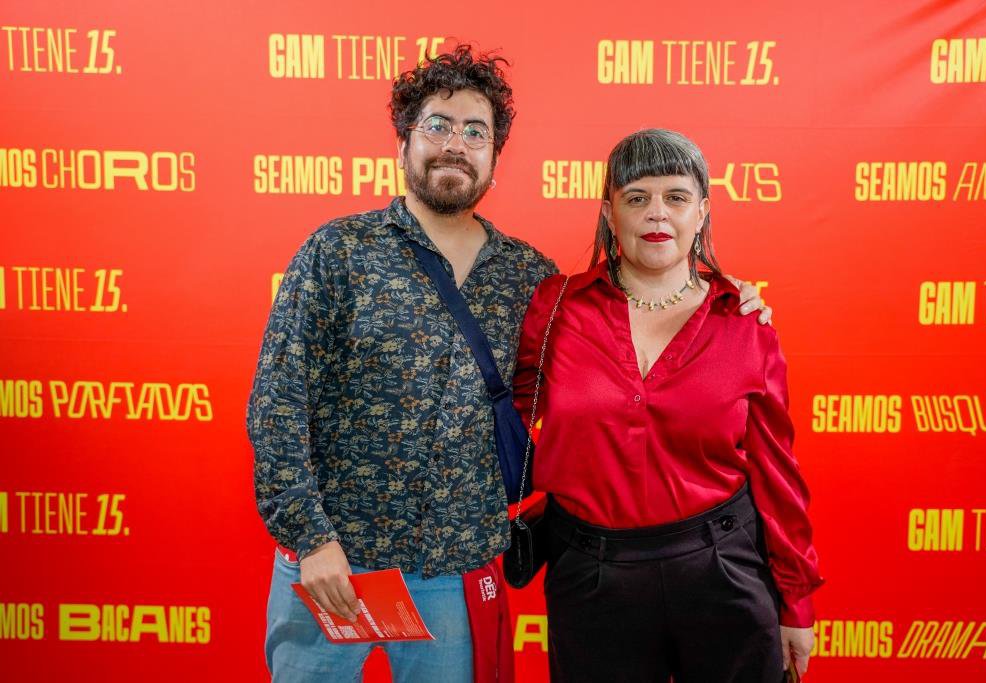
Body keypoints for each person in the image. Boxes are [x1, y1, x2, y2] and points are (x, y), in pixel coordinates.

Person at [247, 45, 770, 682]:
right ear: (403, 144)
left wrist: (722, 300)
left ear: (494, 158)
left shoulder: (531, 279)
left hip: (456, 572)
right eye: (437, 125)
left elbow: (630, 330)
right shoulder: (338, 252)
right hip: (335, 563)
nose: (455, 144)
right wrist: (311, 538)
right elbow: (277, 406)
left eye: (476, 132)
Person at [514, 129, 823, 683]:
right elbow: (507, 422)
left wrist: (795, 601)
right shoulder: (555, 307)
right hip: (590, 576)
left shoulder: (745, 323)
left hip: (722, 568)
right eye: (637, 197)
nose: (657, 212)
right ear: (609, 213)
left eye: (676, 197)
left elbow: (778, 475)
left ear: (701, 212)